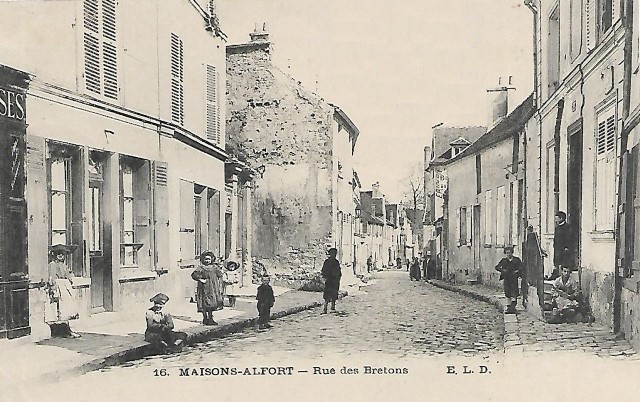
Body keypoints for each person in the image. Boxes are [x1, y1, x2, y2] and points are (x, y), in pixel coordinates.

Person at [46, 244, 80, 338]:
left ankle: (67, 329)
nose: (60, 256)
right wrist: (53, 290)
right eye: (58, 254)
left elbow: (68, 275)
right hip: (58, 287)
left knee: (67, 308)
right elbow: (52, 278)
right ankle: (62, 331)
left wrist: (70, 277)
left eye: (62, 254)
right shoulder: (52, 265)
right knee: (59, 309)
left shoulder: (64, 265)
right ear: (54, 255)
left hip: (66, 288)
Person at [191, 251, 224, 325]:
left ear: (212, 259)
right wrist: (200, 279)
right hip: (204, 289)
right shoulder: (201, 268)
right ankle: (205, 318)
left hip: (213, 288)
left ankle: (211, 318)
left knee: (212, 303)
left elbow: (220, 274)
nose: (207, 261)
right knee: (204, 303)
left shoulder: (214, 267)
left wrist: (221, 269)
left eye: (209, 259)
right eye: (206, 259)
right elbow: (194, 275)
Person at [495, 246, 522, 314]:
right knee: (507, 292)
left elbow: (521, 267)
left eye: (509, 253)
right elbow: (497, 267)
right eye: (507, 253)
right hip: (507, 278)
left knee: (514, 292)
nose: (508, 254)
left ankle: (513, 307)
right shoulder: (504, 260)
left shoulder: (516, 260)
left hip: (513, 278)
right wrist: (503, 270)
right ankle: (509, 307)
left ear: (512, 253)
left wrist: (517, 271)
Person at [551, 211, 573, 280]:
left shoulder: (567, 227)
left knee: (564, 262)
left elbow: (569, 238)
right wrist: (554, 245)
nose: (556, 220)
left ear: (561, 218)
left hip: (564, 248)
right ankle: (555, 274)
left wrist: (567, 247)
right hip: (557, 248)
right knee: (556, 261)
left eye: (557, 218)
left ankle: (563, 276)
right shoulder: (557, 227)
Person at [321, 248, 342, 314]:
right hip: (330, 280)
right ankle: (325, 308)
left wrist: (338, 277)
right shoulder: (328, 262)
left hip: (334, 280)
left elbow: (338, 271)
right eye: (333, 254)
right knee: (328, 294)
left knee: (333, 294)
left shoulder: (336, 262)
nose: (334, 255)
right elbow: (324, 270)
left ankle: (332, 307)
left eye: (335, 254)